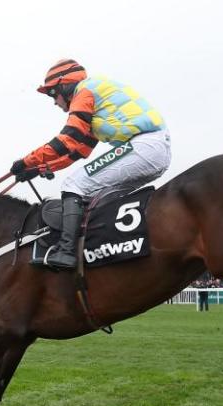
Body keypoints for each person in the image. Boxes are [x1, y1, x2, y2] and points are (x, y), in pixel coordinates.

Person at [10, 59, 171, 270]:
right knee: (90, 195)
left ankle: (66, 252)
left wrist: (26, 161)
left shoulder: (84, 92)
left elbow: (67, 139)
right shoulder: (96, 104)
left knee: (72, 185)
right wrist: (39, 169)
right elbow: (77, 151)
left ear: (64, 85)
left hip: (144, 146)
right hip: (152, 150)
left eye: (52, 93)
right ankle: (103, 249)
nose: (54, 101)